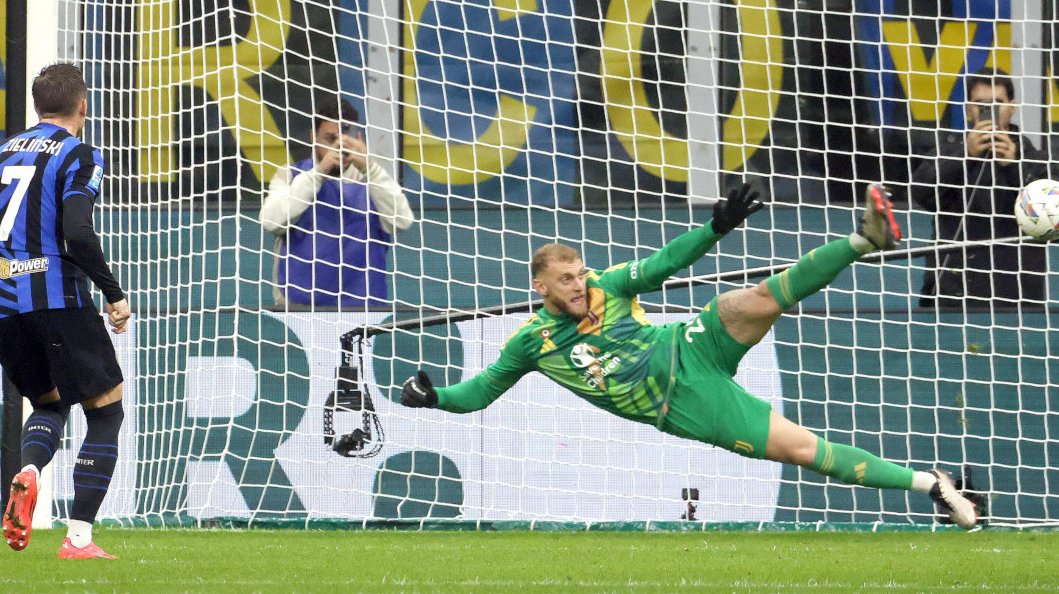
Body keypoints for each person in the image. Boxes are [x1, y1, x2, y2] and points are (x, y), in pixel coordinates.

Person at [400, 183, 981, 529]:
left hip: (689, 345)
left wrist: (715, 228)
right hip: (688, 401)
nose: (579, 286)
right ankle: (931, 485)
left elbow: (662, 264)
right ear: (543, 290)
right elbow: (481, 391)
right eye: (567, 282)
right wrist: (435, 399)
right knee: (803, 449)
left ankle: (863, 240)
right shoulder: (533, 342)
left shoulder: (609, 284)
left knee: (752, 298)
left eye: (580, 274)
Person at [0, 62, 131, 559]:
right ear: (82, 106)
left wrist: (5, 259)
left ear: (36, 105)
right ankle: (79, 539)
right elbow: (77, 231)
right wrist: (113, 293)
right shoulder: (79, 154)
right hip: (57, 297)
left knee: (49, 404)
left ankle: (28, 472)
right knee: (106, 411)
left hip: (3, 304)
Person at [911, 70, 1057, 308]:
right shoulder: (947, 152)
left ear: (1012, 107)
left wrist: (1012, 167)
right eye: (981, 105)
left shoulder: (1037, 160)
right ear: (969, 109)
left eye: (997, 104)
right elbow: (921, 193)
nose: (989, 111)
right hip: (952, 294)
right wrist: (964, 156)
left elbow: (1051, 217)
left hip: (1016, 298)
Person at [260, 99, 414, 308]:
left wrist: (370, 168)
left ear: (358, 138)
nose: (338, 147)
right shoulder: (291, 174)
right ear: (313, 137)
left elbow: (402, 222)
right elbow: (270, 221)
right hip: (299, 305)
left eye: (346, 140)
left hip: (362, 309)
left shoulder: (374, 180)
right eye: (330, 139)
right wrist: (319, 173)